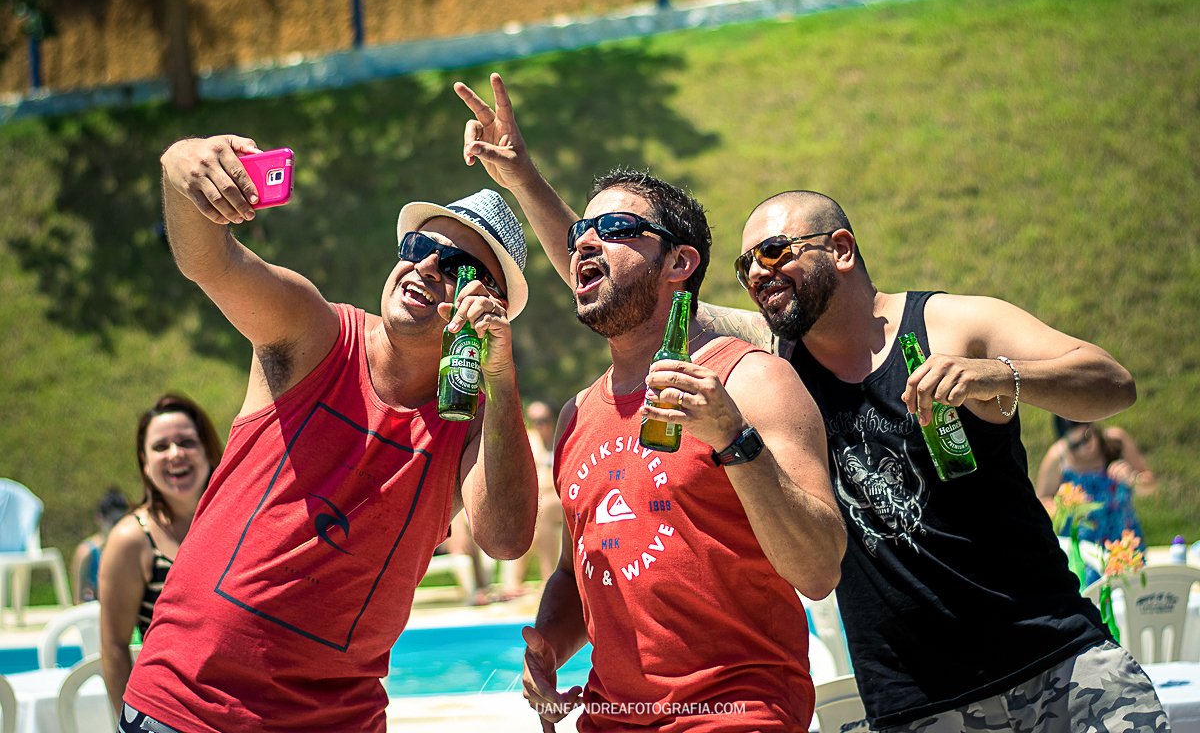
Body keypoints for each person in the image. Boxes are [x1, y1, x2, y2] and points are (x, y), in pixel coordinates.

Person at [456, 75, 846, 732]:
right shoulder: (581, 414)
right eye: (581, 231)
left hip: (735, 715)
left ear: (678, 263)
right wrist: (549, 642)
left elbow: (819, 569)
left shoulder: (750, 382)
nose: (583, 242)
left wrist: (734, 439)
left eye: (613, 229)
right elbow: (591, 560)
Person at [117, 136, 538, 733]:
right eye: (419, 246)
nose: (424, 267)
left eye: (457, 268)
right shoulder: (316, 331)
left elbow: (505, 537)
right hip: (190, 705)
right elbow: (208, 261)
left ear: (486, 302)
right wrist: (180, 163)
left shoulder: (465, 421)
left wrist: (498, 376)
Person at [724, 189, 1168, 731]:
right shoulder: (774, 363)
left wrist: (1001, 374)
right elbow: (657, 297)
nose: (756, 275)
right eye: (744, 266)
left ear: (841, 248)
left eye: (773, 251)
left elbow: (1112, 384)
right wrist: (592, 234)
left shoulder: (952, 324)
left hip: (1060, 669)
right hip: (918, 706)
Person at [97, 394, 222, 715]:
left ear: (208, 450)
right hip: (172, 713)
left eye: (187, 442)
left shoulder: (238, 521)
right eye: (160, 447)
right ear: (144, 462)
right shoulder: (132, 539)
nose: (175, 454)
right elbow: (114, 647)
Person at [1035, 415, 1153, 545]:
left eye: (1087, 437)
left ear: (1093, 424)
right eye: (1076, 445)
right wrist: (1062, 503)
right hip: (1081, 547)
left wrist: (1132, 478)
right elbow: (1040, 504)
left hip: (1123, 541)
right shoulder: (1058, 457)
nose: (1084, 447)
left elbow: (1151, 487)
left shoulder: (1116, 441)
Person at [501, 400, 564, 597]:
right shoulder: (527, 443)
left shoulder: (560, 440)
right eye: (534, 420)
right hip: (537, 500)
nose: (539, 425)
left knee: (540, 512)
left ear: (551, 420)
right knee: (525, 520)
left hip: (557, 498)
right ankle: (513, 584)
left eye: (543, 420)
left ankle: (547, 579)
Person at [71, 487, 128, 604]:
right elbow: (77, 601)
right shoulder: (87, 553)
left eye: (123, 521)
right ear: (100, 519)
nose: (119, 527)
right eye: (114, 521)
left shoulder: (129, 550)